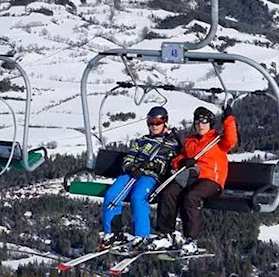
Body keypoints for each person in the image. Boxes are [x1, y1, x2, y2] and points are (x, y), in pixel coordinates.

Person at [150, 104, 238, 254]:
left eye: (204, 122)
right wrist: (181, 162)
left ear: (210, 123)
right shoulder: (190, 141)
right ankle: (165, 233)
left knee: (191, 197)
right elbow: (180, 158)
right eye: (197, 122)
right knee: (168, 193)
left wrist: (228, 119)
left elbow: (231, 140)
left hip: (211, 179)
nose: (200, 125)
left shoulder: (217, 140)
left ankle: (191, 239)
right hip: (190, 176)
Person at [99, 106, 181, 248]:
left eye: (157, 122)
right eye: (150, 122)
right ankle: (113, 232)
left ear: (164, 122)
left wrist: (152, 165)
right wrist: (131, 167)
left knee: (138, 197)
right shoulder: (141, 141)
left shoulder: (170, 143)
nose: (153, 126)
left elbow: (167, 165)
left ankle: (142, 235)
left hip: (150, 177)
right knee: (112, 195)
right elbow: (129, 157)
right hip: (132, 174)